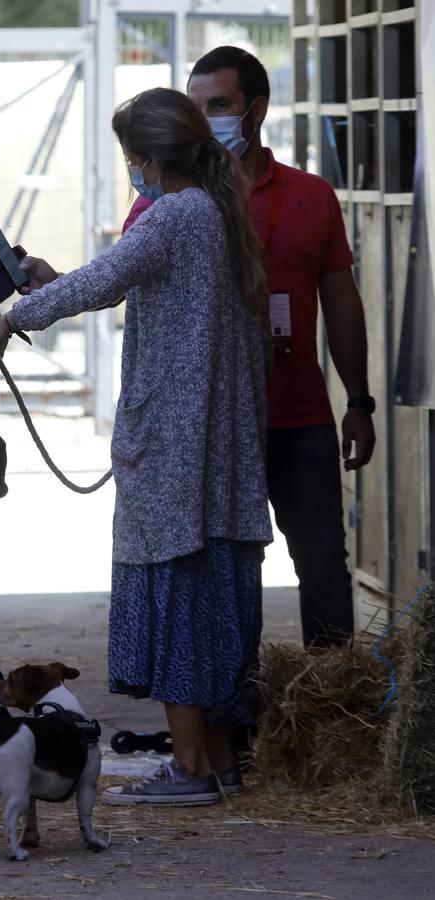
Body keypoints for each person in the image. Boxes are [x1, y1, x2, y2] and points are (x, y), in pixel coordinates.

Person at [0, 87, 272, 806]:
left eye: (129, 158)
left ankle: (193, 770)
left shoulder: (175, 214)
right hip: (214, 454)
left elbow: (110, 275)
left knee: (178, 605)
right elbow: (124, 279)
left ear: (144, 157)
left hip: (175, 451)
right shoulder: (217, 211)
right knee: (211, 605)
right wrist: (54, 284)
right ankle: (216, 763)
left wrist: (13, 320)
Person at [186, 47, 375, 648]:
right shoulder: (177, 202)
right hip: (217, 425)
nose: (205, 119)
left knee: (322, 565)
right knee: (228, 577)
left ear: (256, 110)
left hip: (300, 419)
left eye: (219, 105)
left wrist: (360, 402)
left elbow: (343, 301)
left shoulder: (311, 195)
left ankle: (334, 712)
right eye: (196, 108)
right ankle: (234, 727)